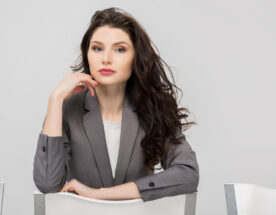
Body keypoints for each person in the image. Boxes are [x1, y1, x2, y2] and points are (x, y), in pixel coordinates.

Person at [33, 7, 199, 202]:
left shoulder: (153, 108)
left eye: (120, 49)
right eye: (97, 48)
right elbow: (47, 184)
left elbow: (188, 174)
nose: (106, 59)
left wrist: (100, 194)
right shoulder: (66, 109)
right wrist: (55, 99)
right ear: (87, 54)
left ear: (135, 57)